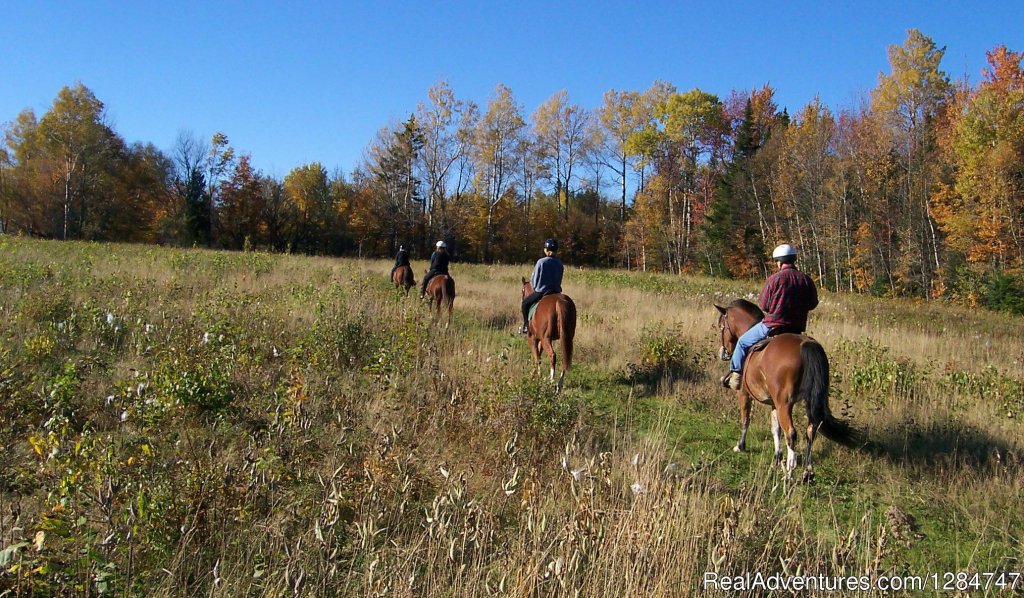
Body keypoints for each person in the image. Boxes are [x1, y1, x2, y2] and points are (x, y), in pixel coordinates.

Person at [723, 243, 818, 390]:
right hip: (796, 328)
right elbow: (813, 304)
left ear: (779, 262)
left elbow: (764, 306)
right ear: (793, 260)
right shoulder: (806, 280)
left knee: (742, 342)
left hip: (773, 326)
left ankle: (735, 375)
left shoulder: (774, 279)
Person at [521, 238, 564, 334]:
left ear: (546, 250)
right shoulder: (560, 264)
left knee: (525, 304)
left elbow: (534, 280)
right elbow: (560, 279)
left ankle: (526, 326)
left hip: (542, 292)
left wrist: (536, 288)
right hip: (556, 292)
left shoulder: (541, 262)